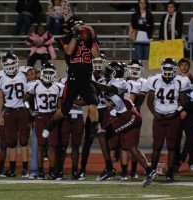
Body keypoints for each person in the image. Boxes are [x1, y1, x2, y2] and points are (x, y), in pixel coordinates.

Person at [93, 62, 156, 187]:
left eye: (110, 70)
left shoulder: (120, 82)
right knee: (132, 147)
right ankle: (150, 171)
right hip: (127, 116)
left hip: (129, 116)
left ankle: (109, 169)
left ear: (116, 72)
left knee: (102, 134)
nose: (107, 72)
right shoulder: (110, 81)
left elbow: (108, 89)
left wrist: (92, 83)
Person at [43, 16, 101, 148]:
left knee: (93, 103)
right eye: (77, 26)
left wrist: (92, 38)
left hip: (87, 77)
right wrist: (75, 35)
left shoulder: (88, 38)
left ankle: (95, 128)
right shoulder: (64, 39)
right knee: (64, 110)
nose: (81, 28)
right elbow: (69, 51)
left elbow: (97, 55)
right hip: (73, 78)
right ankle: (50, 124)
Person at [139, 58, 190, 181]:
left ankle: (170, 172)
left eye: (170, 68)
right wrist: (155, 113)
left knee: (172, 146)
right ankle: (152, 172)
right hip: (159, 117)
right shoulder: (154, 80)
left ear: (175, 69)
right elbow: (150, 101)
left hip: (173, 118)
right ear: (162, 68)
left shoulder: (180, 81)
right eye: (166, 68)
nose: (168, 71)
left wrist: (175, 113)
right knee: (157, 146)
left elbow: (184, 102)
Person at [0, 53, 32, 177]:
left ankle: (25, 169)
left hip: (23, 110)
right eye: (7, 64)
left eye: (12, 63)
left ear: (17, 63)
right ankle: (12, 169)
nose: (10, 66)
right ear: (3, 65)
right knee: (11, 142)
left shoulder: (25, 73)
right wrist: (0, 115)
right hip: (9, 111)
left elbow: (34, 86)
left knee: (24, 141)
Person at [23, 63, 63, 180]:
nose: (49, 75)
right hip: (40, 116)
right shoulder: (34, 85)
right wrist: (30, 110)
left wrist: (58, 117)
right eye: (47, 72)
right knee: (41, 145)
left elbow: (59, 106)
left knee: (53, 146)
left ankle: (51, 172)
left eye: (51, 72)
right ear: (42, 73)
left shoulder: (58, 86)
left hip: (52, 117)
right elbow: (24, 98)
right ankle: (40, 172)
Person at [174, 58, 193, 172]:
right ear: (178, 67)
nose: (184, 67)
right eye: (182, 65)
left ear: (189, 66)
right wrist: (178, 111)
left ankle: (192, 162)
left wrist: (186, 111)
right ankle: (175, 163)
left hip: (190, 114)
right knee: (175, 140)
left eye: (186, 65)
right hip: (176, 114)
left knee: (191, 139)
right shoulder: (174, 80)